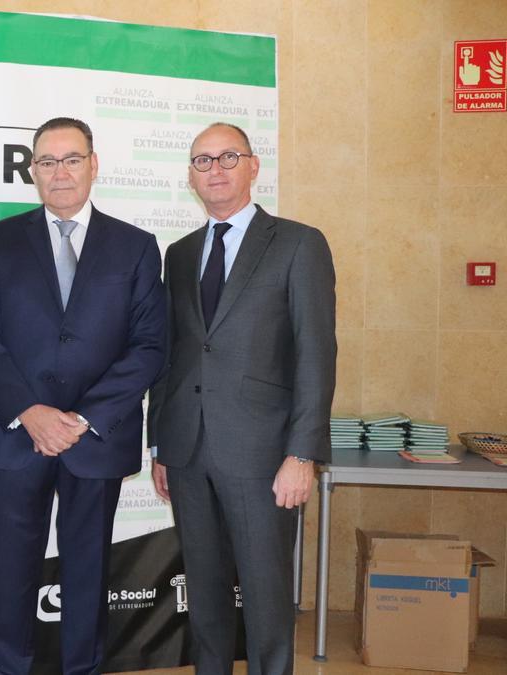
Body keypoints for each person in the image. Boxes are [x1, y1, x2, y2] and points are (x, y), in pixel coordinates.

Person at [0, 117, 166, 675]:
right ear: (32, 170)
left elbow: (149, 346)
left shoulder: (135, 246)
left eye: (72, 159)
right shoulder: (0, 240)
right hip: (18, 435)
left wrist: (81, 418)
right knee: (12, 571)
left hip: (95, 438)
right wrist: (30, 412)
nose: (60, 172)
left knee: (88, 571)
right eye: (47, 162)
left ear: (93, 165)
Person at [147, 122, 336, 675]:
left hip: (264, 455)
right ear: (191, 177)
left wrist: (302, 454)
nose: (216, 169)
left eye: (228, 157)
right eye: (202, 161)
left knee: (266, 597)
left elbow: (316, 354)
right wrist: (161, 445)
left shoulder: (298, 243)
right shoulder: (180, 253)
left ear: (253, 166)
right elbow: (173, 354)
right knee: (204, 596)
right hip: (187, 451)